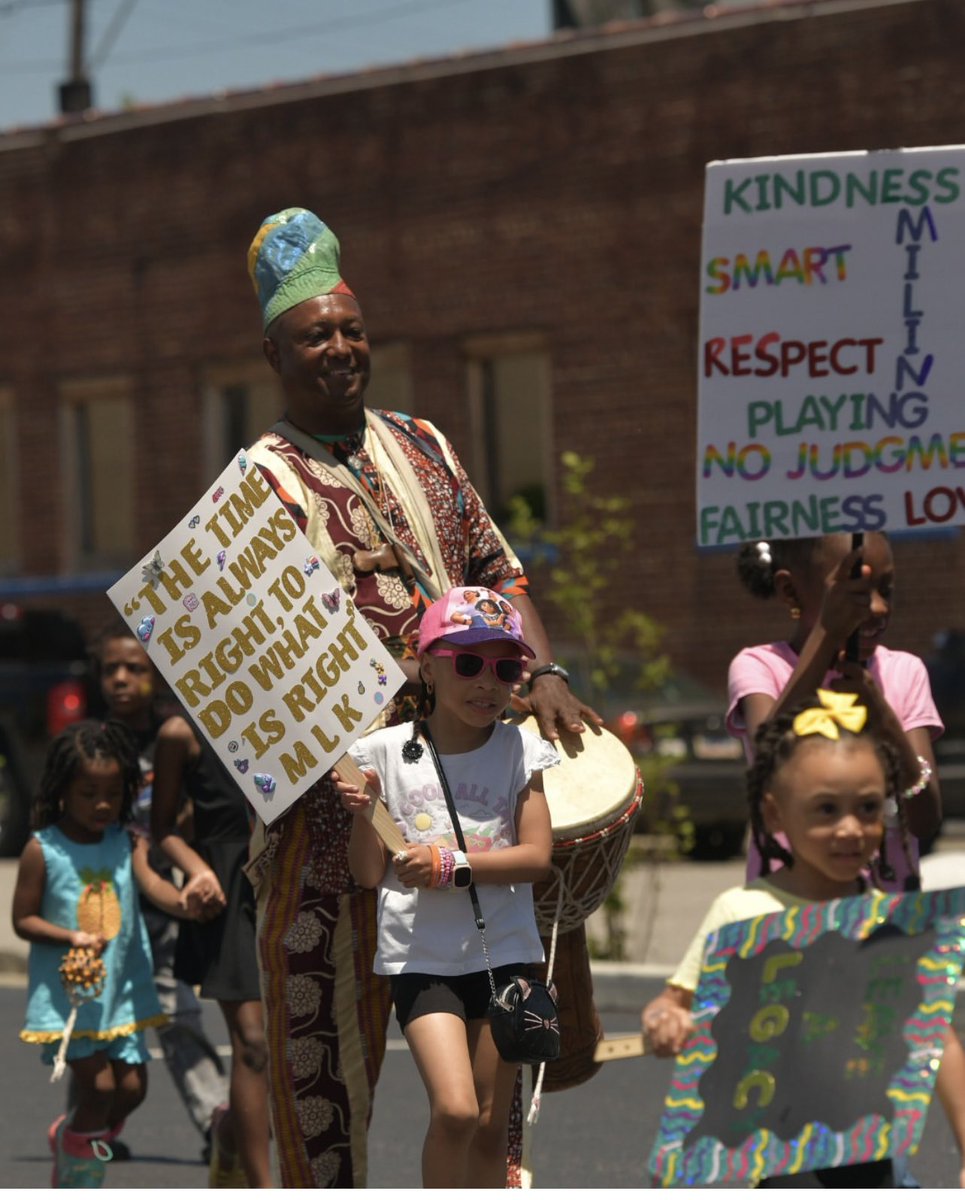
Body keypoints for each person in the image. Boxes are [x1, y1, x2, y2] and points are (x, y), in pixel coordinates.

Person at [243, 206, 601, 1187]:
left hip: (474, 783)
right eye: (316, 333)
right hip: (335, 816)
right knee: (321, 1072)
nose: (341, 347)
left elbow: (498, 569)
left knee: (493, 1081)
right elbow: (255, 664)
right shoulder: (257, 486)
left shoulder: (425, 443)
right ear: (274, 349)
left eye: (351, 328)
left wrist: (546, 671)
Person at [641, 693, 965, 1188]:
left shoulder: (892, 923)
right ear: (775, 815)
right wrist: (665, 1022)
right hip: (778, 1162)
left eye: (869, 807)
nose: (851, 828)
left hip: (872, 1153)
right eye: (827, 809)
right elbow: (672, 1002)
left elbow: (935, 1036)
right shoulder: (742, 914)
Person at [334, 586, 557, 1188]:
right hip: (421, 958)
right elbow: (364, 874)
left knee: (489, 1124)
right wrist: (365, 814)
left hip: (506, 955)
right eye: (467, 663)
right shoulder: (380, 751)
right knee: (455, 1110)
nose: (488, 682)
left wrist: (452, 865)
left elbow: (538, 857)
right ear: (427, 663)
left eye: (506, 667)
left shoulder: (519, 749)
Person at [12, 720, 193, 1188]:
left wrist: (185, 901)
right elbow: (22, 920)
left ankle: (73, 1134)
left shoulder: (125, 840)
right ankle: (78, 1179)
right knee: (100, 1086)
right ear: (61, 791)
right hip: (68, 999)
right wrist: (69, 937)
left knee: (132, 1089)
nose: (103, 804)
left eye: (113, 792)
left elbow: (152, 885)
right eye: (88, 792)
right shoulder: (43, 849)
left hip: (122, 993)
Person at [727, 534, 942, 889]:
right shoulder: (761, 667)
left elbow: (926, 818)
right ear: (790, 592)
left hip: (887, 918)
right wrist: (829, 631)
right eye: (852, 593)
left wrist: (884, 720)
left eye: (885, 591)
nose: (878, 608)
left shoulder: (904, 672)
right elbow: (768, 761)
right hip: (789, 914)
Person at [89, 621, 227, 1162]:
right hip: (98, 905)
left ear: (157, 677)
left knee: (177, 1014)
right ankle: (90, 1127)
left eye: (135, 669)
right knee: (98, 1026)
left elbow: (191, 817)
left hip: (159, 900)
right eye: (110, 670)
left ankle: (216, 1118)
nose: (121, 679)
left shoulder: (176, 737)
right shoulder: (89, 743)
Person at [150, 708, 271, 1188]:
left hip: (292, 875)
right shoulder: (182, 731)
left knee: (294, 1045)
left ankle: (228, 1134)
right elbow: (162, 830)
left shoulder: (304, 712)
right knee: (253, 1041)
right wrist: (196, 870)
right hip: (226, 885)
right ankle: (262, 1187)